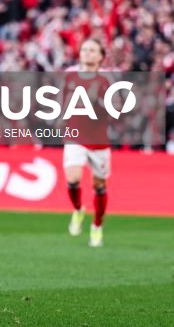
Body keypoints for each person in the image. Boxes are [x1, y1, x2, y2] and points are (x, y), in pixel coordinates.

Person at [63, 38, 111, 248]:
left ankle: (97, 225)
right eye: (84, 49)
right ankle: (78, 208)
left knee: (99, 185)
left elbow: (116, 109)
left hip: (99, 139)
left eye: (92, 50)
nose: (87, 53)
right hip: (75, 135)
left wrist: (97, 103)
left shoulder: (107, 79)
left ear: (100, 56)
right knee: (73, 178)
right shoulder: (70, 74)